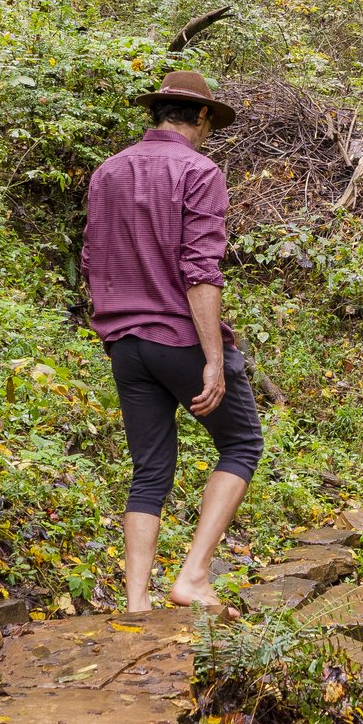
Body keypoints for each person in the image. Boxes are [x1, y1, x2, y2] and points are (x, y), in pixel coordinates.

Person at [81, 68, 265, 611]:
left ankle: (137, 603)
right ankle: (193, 577)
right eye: (210, 122)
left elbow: (91, 260)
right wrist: (214, 359)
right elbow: (200, 272)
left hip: (126, 343)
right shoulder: (199, 170)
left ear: (157, 112)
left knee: (150, 469)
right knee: (241, 443)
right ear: (202, 115)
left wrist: (114, 327)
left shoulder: (108, 170)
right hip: (180, 339)